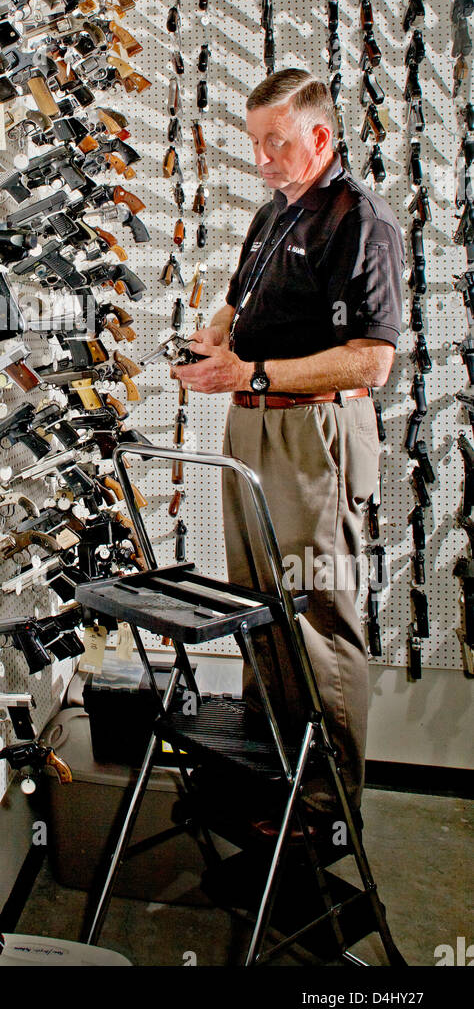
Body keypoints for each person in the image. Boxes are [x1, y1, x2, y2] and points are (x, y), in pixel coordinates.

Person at [171, 68, 404, 824]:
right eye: (256, 143)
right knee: (260, 608)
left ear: (319, 137)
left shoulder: (359, 220)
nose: (265, 157)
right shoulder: (276, 214)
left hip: (312, 431)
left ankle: (330, 805)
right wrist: (215, 334)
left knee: (315, 615)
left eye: (278, 143)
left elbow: (372, 360)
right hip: (254, 422)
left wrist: (255, 371)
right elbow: (236, 300)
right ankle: (278, 781)